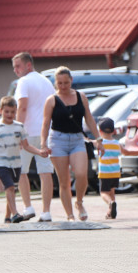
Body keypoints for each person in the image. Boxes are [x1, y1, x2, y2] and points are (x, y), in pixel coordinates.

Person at [40, 67, 100, 221]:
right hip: (57, 140)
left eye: (66, 82)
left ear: (71, 80)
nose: (63, 86)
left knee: (81, 174)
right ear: (55, 83)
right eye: (59, 83)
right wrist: (43, 144)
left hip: (77, 140)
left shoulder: (81, 96)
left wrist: (99, 139)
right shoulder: (51, 100)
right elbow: (46, 124)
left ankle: (79, 202)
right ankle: (70, 215)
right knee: (64, 180)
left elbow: (89, 118)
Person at [12, 52, 56, 221]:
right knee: (45, 171)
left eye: (18, 66)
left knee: (21, 170)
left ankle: (28, 207)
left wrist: (18, 131)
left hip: (28, 132)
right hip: (45, 132)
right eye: (14, 67)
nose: (16, 70)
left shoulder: (24, 81)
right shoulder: (46, 81)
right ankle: (46, 211)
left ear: (28, 65)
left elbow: (22, 107)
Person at [0, 96, 42, 223]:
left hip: (16, 163)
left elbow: (26, 145)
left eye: (12, 112)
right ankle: (15, 214)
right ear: (0, 111)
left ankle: (7, 216)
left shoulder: (19, 127)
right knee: (9, 187)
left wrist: (39, 152)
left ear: (16, 111)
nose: (10, 114)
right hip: (1, 163)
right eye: (6, 111)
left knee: (11, 190)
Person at [97, 117, 138, 219]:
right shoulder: (117, 143)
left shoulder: (100, 143)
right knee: (112, 191)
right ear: (113, 131)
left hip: (104, 173)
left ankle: (110, 203)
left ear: (100, 131)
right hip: (115, 173)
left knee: (103, 192)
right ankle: (110, 212)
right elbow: (127, 152)